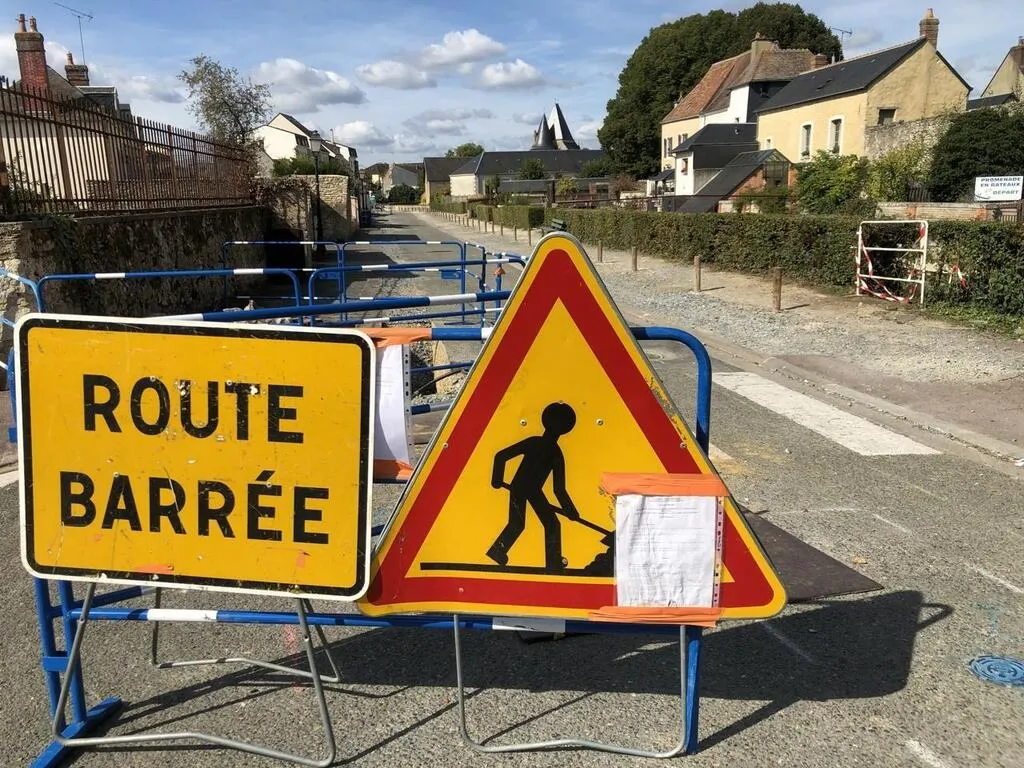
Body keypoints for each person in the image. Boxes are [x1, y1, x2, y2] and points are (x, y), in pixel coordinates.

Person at [486, 402, 579, 572]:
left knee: (537, 524)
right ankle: (551, 563)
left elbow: (558, 488)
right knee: (528, 524)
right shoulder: (553, 451)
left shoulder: (542, 446)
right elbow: (501, 456)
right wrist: (570, 510)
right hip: (522, 488)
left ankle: (499, 551)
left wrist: (570, 510)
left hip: (530, 490)